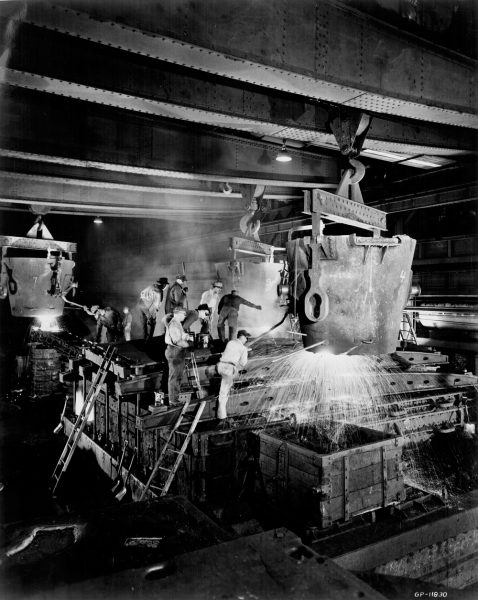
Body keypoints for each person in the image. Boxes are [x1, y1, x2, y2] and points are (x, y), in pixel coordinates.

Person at [216, 330, 250, 429]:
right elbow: (243, 363)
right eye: (246, 338)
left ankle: (222, 411)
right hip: (228, 369)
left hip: (220, 366)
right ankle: (222, 418)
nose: (246, 340)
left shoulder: (230, 342)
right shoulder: (243, 348)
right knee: (223, 394)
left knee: (224, 387)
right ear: (243, 337)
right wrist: (245, 352)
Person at [163, 306, 194, 405]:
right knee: (174, 377)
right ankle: (173, 401)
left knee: (178, 376)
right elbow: (177, 341)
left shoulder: (177, 323)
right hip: (175, 352)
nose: (185, 317)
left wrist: (188, 337)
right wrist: (189, 345)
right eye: (184, 315)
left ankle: (174, 398)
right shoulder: (174, 324)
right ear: (178, 313)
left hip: (177, 352)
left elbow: (181, 335)